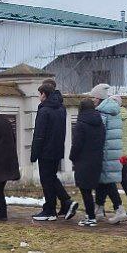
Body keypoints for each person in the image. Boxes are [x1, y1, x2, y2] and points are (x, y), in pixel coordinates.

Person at [31, 80, 75, 221]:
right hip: (57, 149)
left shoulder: (44, 110)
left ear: (44, 94)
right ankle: (64, 203)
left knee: (47, 179)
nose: (39, 96)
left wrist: (34, 154)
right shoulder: (61, 108)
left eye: (40, 94)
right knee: (52, 178)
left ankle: (51, 209)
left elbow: (39, 134)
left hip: (45, 151)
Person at [92, 84, 127, 224]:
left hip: (105, 152)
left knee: (108, 182)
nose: (92, 100)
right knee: (103, 181)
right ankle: (99, 209)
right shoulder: (113, 111)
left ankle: (119, 209)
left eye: (94, 97)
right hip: (112, 152)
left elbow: (99, 134)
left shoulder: (102, 113)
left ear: (99, 98)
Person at [69, 98, 106, 227]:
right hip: (97, 159)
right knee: (92, 188)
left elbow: (77, 144)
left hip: (83, 160)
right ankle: (94, 214)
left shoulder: (81, 124)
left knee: (85, 190)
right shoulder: (100, 122)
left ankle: (91, 216)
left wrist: (72, 157)